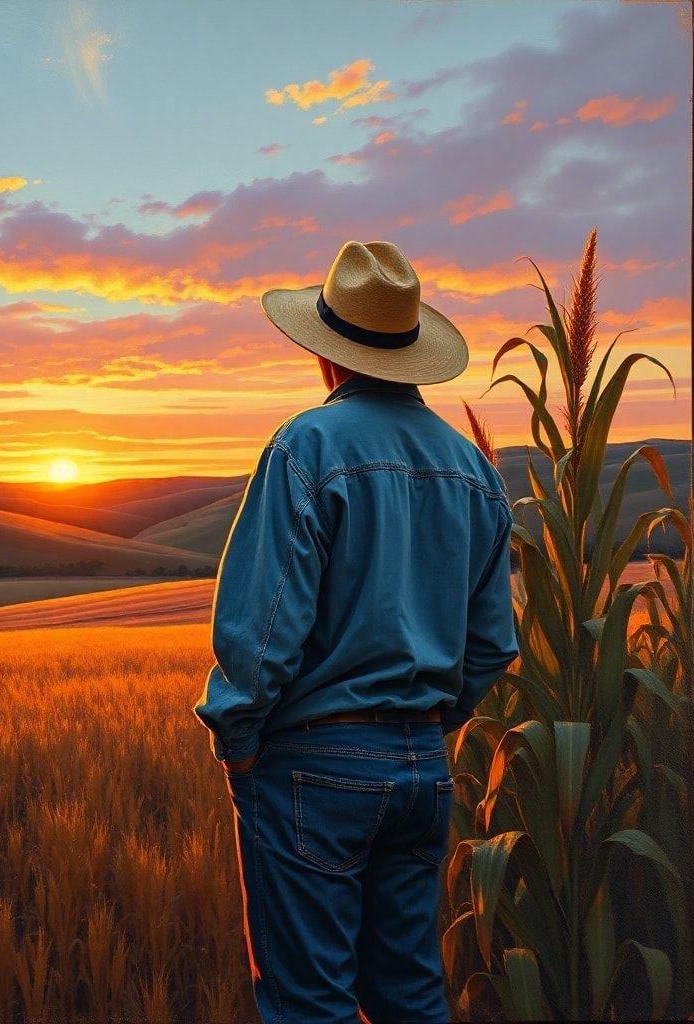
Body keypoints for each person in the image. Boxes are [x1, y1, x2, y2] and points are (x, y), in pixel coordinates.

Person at [193, 240, 519, 1024]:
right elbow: (490, 644)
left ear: (325, 356)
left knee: (312, 1005)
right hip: (421, 771)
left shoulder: (305, 446)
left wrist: (238, 739)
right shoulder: (474, 470)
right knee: (409, 994)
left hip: (313, 767)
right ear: (411, 349)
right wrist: (422, 729)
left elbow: (262, 628)